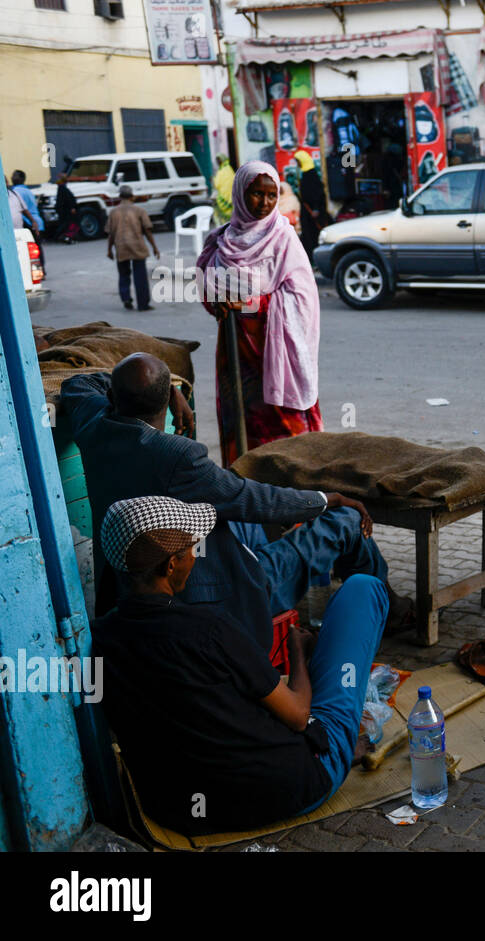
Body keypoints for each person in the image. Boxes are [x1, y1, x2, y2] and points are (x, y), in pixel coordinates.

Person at [60, 353, 412, 646]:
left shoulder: (94, 423)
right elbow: (253, 499)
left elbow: (78, 383)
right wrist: (330, 498)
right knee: (346, 521)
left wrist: (162, 391)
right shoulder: (176, 455)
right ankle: (381, 609)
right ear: (164, 401)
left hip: (130, 587)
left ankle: (377, 601)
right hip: (218, 595)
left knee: (248, 518)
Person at [91, 495, 389, 836]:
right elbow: (296, 714)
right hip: (289, 789)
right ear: (170, 565)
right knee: (364, 590)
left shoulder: (99, 639)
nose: (195, 556)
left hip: (178, 812)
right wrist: (297, 652)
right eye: (190, 549)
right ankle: (338, 745)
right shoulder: (210, 628)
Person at [195, 160, 323, 466]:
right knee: (240, 423)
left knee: (284, 431)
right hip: (235, 349)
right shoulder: (219, 241)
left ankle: (295, 504)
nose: (264, 203)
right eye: (256, 194)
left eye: (271, 195)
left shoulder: (284, 238)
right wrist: (218, 302)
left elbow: (302, 298)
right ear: (241, 193)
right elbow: (204, 285)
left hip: (277, 353)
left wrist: (254, 303)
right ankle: (246, 498)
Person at [105, 184, 159, 311]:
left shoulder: (113, 212)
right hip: (137, 246)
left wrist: (109, 250)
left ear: (119, 196)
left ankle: (126, 299)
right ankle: (143, 304)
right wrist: (154, 247)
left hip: (121, 247)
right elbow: (147, 231)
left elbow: (111, 233)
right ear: (132, 196)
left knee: (123, 274)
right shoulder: (139, 211)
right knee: (140, 276)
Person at [292, 149, 329, 258]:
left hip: (313, 212)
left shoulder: (310, 176)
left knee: (314, 235)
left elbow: (317, 194)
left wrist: (316, 208)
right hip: (308, 212)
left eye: (297, 161)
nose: (297, 164)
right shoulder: (305, 174)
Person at [54, 173, 78, 243]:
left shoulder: (61, 188)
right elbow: (68, 199)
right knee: (69, 224)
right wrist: (72, 207)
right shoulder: (63, 188)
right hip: (66, 210)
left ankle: (64, 237)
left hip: (63, 210)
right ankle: (67, 237)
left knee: (65, 224)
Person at [212, 154, 235, 224]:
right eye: (217, 161)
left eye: (219, 160)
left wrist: (213, 179)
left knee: (218, 211)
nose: (218, 162)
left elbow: (217, 184)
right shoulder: (229, 169)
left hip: (224, 198)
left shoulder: (222, 171)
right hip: (231, 197)